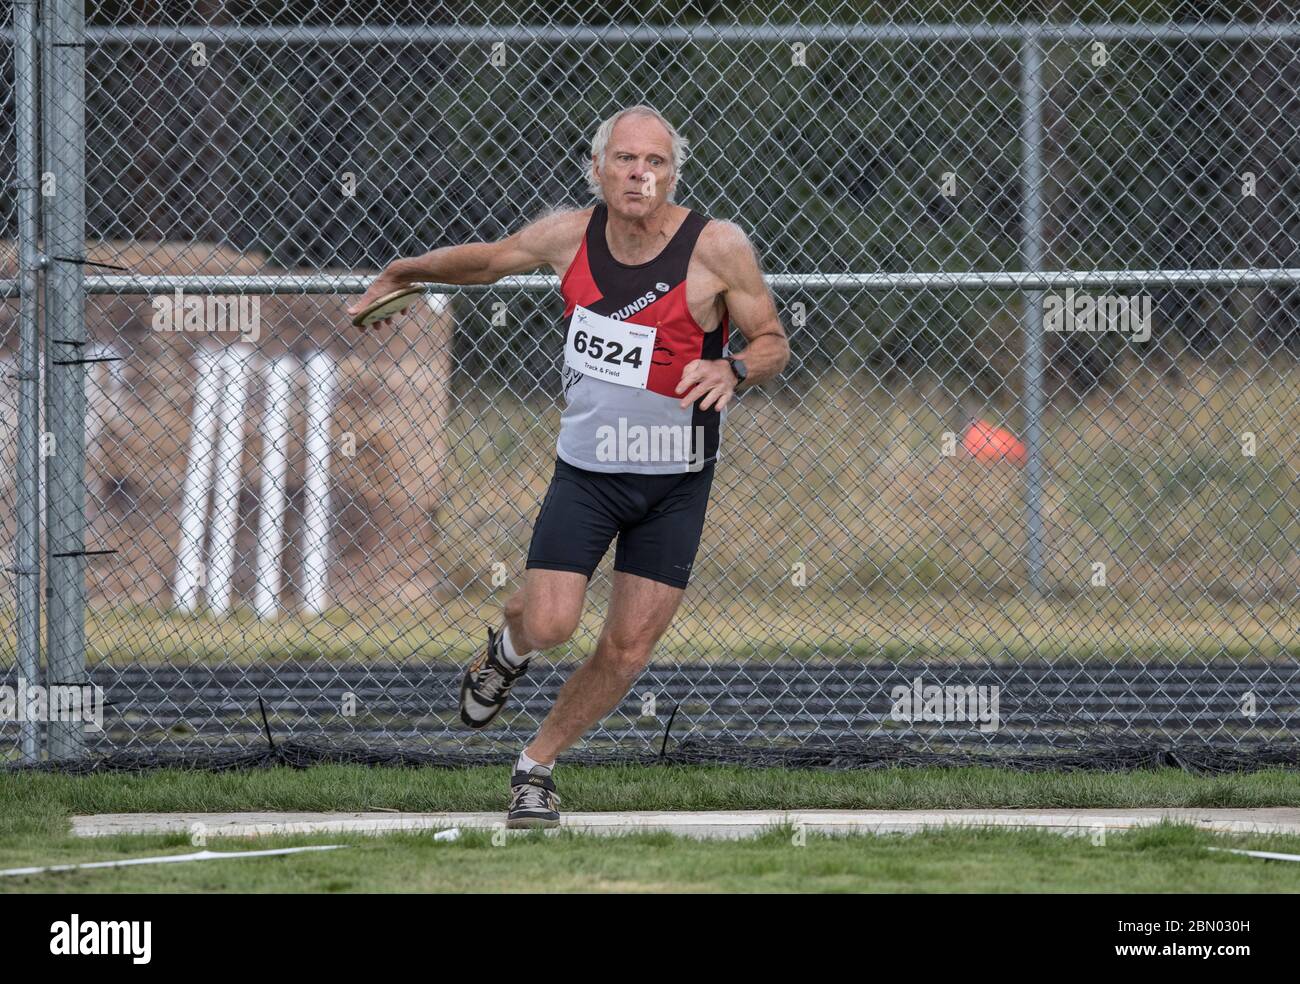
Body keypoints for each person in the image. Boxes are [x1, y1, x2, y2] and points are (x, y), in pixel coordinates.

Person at [347, 105, 789, 827]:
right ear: (597, 169)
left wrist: (736, 369)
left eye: (655, 163)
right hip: (588, 473)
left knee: (625, 649)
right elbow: (487, 262)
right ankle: (507, 648)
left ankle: (536, 766)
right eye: (625, 160)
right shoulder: (568, 237)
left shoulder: (717, 247)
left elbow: (773, 340)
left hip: (676, 483)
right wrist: (406, 269)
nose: (639, 174)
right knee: (551, 623)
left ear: (673, 174)